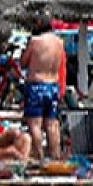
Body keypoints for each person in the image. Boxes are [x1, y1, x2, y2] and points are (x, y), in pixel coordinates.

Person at [20, 13, 67, 161]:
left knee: (35, 124)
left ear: (39, 24)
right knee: (52, 123)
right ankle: (56, 156)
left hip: (36, 85)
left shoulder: (35, 41)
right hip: (53, 85)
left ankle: (39, 158)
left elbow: (23, 62)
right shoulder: (60, 43)